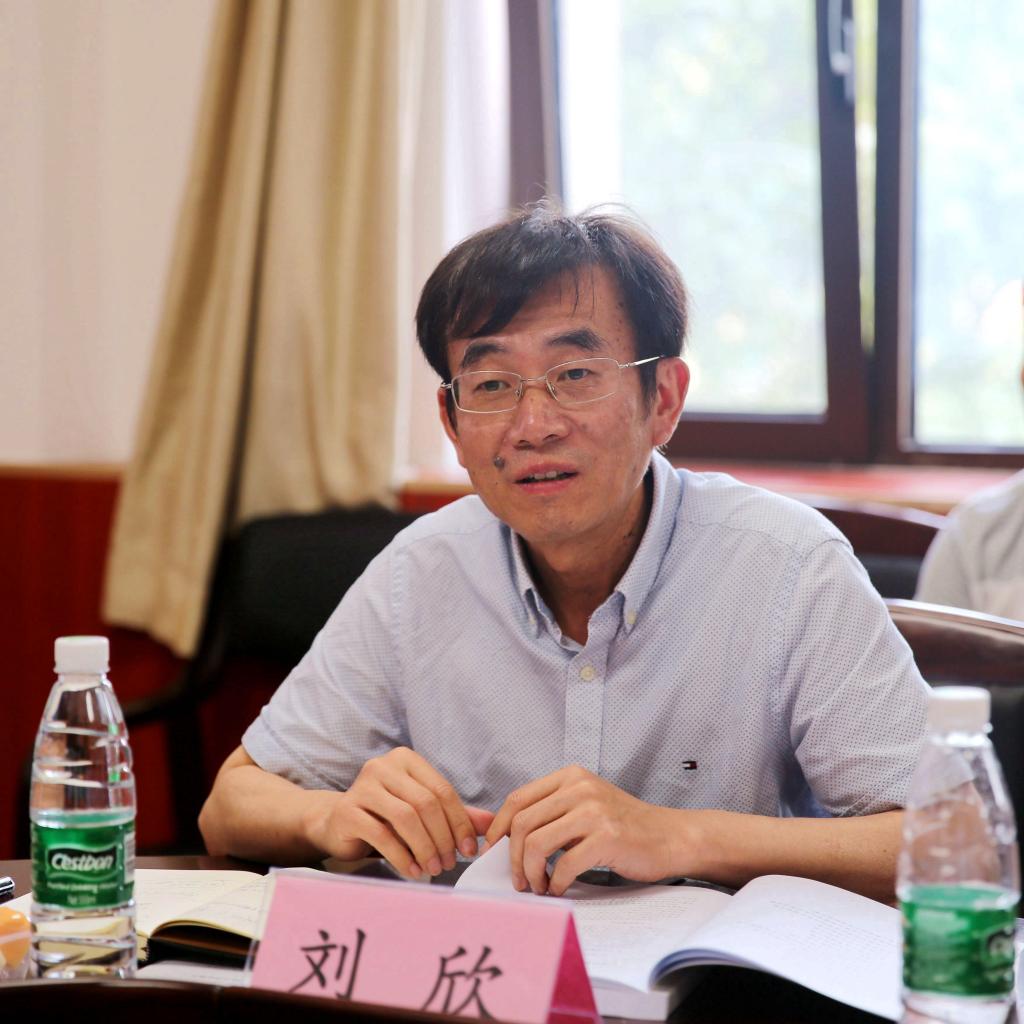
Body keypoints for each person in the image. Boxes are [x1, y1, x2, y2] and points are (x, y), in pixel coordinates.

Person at [199, 206, 928, 902]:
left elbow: (949, 842)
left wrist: (682, 836)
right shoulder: (420, 571)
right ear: (452, 422)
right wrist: (331, 816)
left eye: (574, 375)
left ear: (663, 398)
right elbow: (229, 807)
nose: (533, 425)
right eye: (491, 385)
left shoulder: (786, 565)